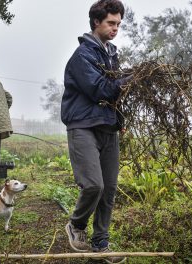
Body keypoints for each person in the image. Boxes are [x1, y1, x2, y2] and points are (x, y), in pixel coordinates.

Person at [60, 0, 130, 263]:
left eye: (118, 24)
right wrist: (131, 80)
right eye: (111, 23)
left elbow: (113, 97)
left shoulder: (110, 53)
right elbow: (101, 89)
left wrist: (119, 118)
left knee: (109, 188)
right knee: (93, 185)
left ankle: (100, 244)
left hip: (107, 127)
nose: (116, 28)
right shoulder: (82, 56)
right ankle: (76, 225)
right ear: (96, 23)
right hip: (83, 125)